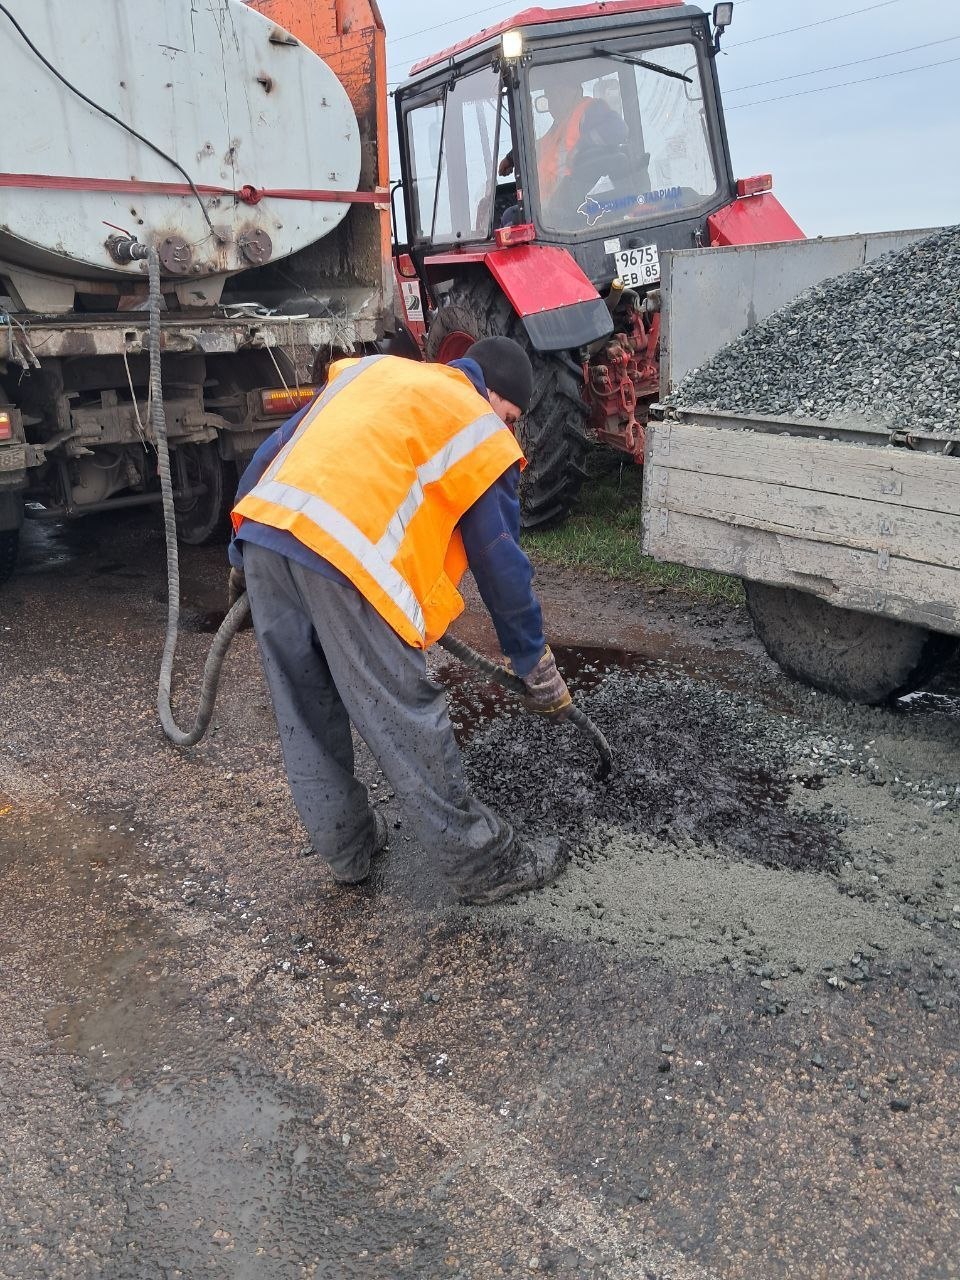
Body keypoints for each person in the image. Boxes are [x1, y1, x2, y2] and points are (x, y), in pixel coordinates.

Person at [227, 339, 572, 906]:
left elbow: (270, 454)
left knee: (305, 711)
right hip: (348, 561)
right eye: (510, 417)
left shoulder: (372, 372)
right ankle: (483, 864)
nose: (508, 430)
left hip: (267, 537)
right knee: (406, 713)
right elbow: (498, 556)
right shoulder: (478, 426)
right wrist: (533, 659)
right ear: (490, 393)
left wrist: (241, 556)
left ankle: (349, 850)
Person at [499, 64, 628, 213]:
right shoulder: (560, 125)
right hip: (547, 202)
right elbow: (538, 148)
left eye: (559, 93)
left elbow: (618, 129)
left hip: (570, 203)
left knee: (508, 216)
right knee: (502, 206)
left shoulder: (590, 111)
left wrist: (581, 146)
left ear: (576, 91)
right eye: (550, 95)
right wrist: (511, 158)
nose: (554, 101)